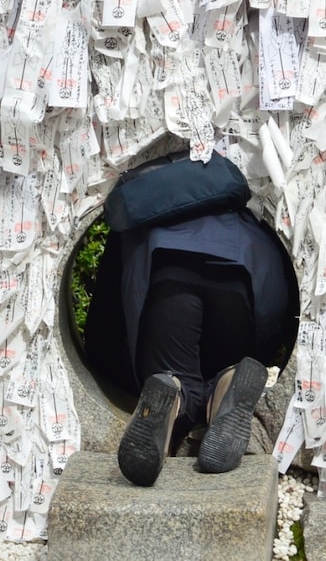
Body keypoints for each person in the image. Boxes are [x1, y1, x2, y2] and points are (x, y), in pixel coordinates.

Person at [86, 202, 295, 487]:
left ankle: (172, 396)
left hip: (169, 277)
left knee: (173, 372)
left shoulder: (146, 202)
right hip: (240, 284)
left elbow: (105, 318)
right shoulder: (247, 204)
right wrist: (270, 348)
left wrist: (109, 373)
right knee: (224, 363)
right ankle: (227, 383)